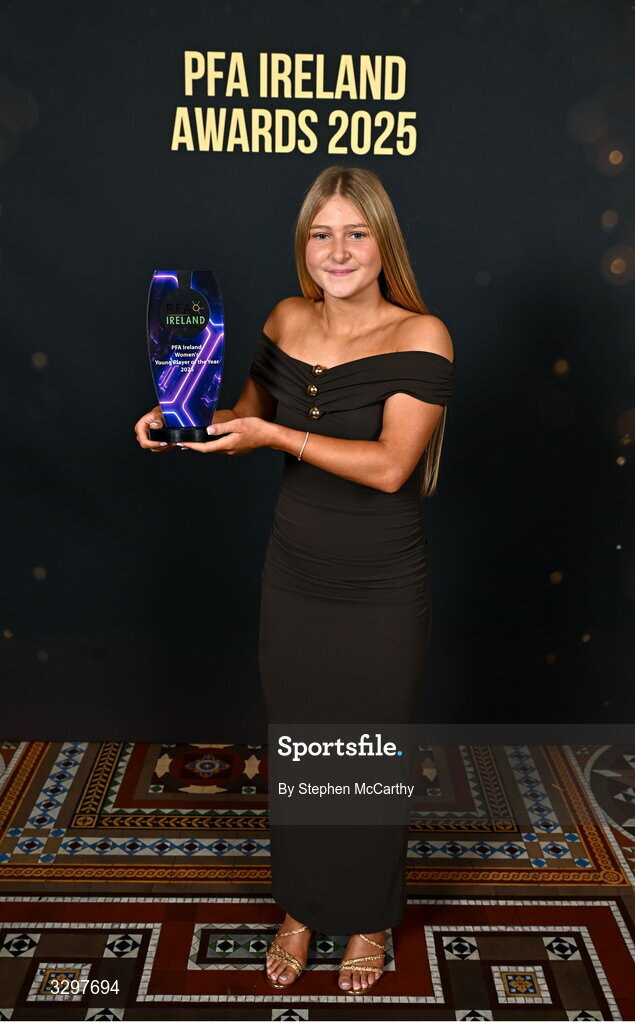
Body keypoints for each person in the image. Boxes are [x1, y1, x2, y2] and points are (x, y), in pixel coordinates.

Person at [134, 165, 455, 995]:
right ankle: (304, 905)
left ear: (383, 243)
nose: (337, 250)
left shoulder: (422, 335)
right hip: (294, 571)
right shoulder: (284, 317)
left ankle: (368, 915)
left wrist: (274, 438)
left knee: (366, 752)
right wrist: (179, 417)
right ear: (303, 244)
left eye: (355, 232)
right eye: (321, 233)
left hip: (381, 583)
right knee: (303, 744)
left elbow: (389, 466)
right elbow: (245, 414)